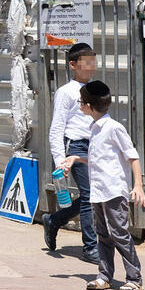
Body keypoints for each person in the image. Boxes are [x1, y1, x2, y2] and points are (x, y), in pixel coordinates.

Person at [62, 80, 145, 290]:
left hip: (114, 191)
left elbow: (133, 156)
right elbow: (98, 159)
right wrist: (76, 158)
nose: (80, 105)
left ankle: (134, 279)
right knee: (103, 235)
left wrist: (138, 185)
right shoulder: (94, 127)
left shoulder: (114, 128)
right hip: (99, 192)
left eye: (81, 102)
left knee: (119, 234)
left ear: (89, 106)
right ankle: (105, 276)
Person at [43, 43, 100, 264]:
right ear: (73, 65)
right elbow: (57, 128)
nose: (91, 65)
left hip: (94, 147)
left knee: (92, 195)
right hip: (75, 147)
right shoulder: (66, 92)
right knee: (89, 194)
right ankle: (90, 247)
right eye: (86, 61)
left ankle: (55, 220)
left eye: (93, 61)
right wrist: (60, 161)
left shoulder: (96, 89)